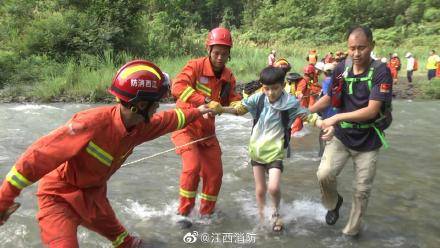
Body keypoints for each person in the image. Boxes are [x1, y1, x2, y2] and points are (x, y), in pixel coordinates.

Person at [0, 60, 214, 247]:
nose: (158, 106)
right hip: (58, 199)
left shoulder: (141, 126)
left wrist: (199, 111)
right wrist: (4, 199)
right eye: (156, 102)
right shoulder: (89, 124)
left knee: (127, 243)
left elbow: (172, 119)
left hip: (94, 197)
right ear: (140, 104)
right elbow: (36, 158)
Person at [222, 66, 334, 232]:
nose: (271, 93)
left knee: (273, 187)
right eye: (266, 88)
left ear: (283, 85)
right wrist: (219, 109)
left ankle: (275, 212)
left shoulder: (290, 102)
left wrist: (323, 124)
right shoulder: (258, 98)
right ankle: (261, 215)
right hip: (256, 150)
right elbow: (239, 109)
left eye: (275, 88)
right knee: (260, 190)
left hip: (275, 152)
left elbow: (308, 115)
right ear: (262, 86)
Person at [309, 26, 393, 236]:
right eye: (352, 48)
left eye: (361, 48)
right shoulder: (341, 68)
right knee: (324, 174)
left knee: (362, 190)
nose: (356, 53)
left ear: (371, 46)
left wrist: (335, 117)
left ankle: (351, 232)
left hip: (369, 139)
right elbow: (329, 97)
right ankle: (334, 203)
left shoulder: (381, 71)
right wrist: (305, 111)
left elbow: (372, 110)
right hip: (342, 136)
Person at [171, 27, 242, 228]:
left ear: (229, 54)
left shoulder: (228, 77)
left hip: (207, 134)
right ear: (209, 50)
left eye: (224, 53)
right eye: (216, 52)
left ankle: (206, 214)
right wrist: (205, 101)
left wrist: (240, 106)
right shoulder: (195, 66)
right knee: (192, 168)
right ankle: (183, 213)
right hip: (185, 127)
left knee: (215, 174)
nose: (220, 57)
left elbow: (233, 101)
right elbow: (177, 88)